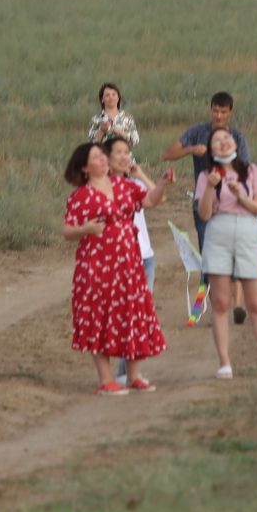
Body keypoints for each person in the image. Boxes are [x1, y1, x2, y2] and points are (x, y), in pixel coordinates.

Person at [62, 142, 174, 394]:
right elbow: (67, 229)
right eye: (96, 157)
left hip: (128, 262)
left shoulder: (124, 185)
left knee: (132, 311)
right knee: (98, 315)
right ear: (84, 167)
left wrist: (162, 182)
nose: (102, 159)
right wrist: (85, 230)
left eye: (103, 155)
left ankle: (133, 375)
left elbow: (150, 200)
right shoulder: (80, 196)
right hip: (96, 264)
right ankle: (105, 380)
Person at [197, 127, 257, 380]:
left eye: (227, 139)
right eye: (217, 141)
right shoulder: (205, 175)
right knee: (221, 303)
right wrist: (212, 188)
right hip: (218, 231)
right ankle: (224, 363)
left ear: (235, 143)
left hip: (246, 230)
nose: (223, 143)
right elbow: (204, 214)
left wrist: (241, 196)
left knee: (256, 303)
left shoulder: (252, 171)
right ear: (211, 150)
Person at [160, 91, 251, 321]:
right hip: (204, 200)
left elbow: (246, 167)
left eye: (223, 111)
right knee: (209, 256)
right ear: (210, 109)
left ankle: (238, 303)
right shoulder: (197, 132)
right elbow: (167, 154)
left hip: (231, 202)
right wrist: (191, 149)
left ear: (230, 112)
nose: (218, 115)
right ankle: (218, 311)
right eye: (215, 110)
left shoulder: (237, 137)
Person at [105, 135, 156, 385]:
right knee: (121, 314)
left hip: (145, 255)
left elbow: (157, 197)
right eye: (119, 153)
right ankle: (120, 374)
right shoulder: (102, 187)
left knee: (139, 314)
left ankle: (128, 373)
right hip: (121, 258)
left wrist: (140, 173)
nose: (125, 157)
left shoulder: (135, 184)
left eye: (127, 152)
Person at [87, 82, 139, 148]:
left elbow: (135, 141)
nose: (111, 97)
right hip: (104, 157)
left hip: (123, 156)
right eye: (107, 95)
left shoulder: (127, 117)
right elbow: (91, 145)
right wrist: (102, 131)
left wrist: (121, 133)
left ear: (118, 98)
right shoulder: (96, 119)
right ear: (102, 99)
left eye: (114, 94)